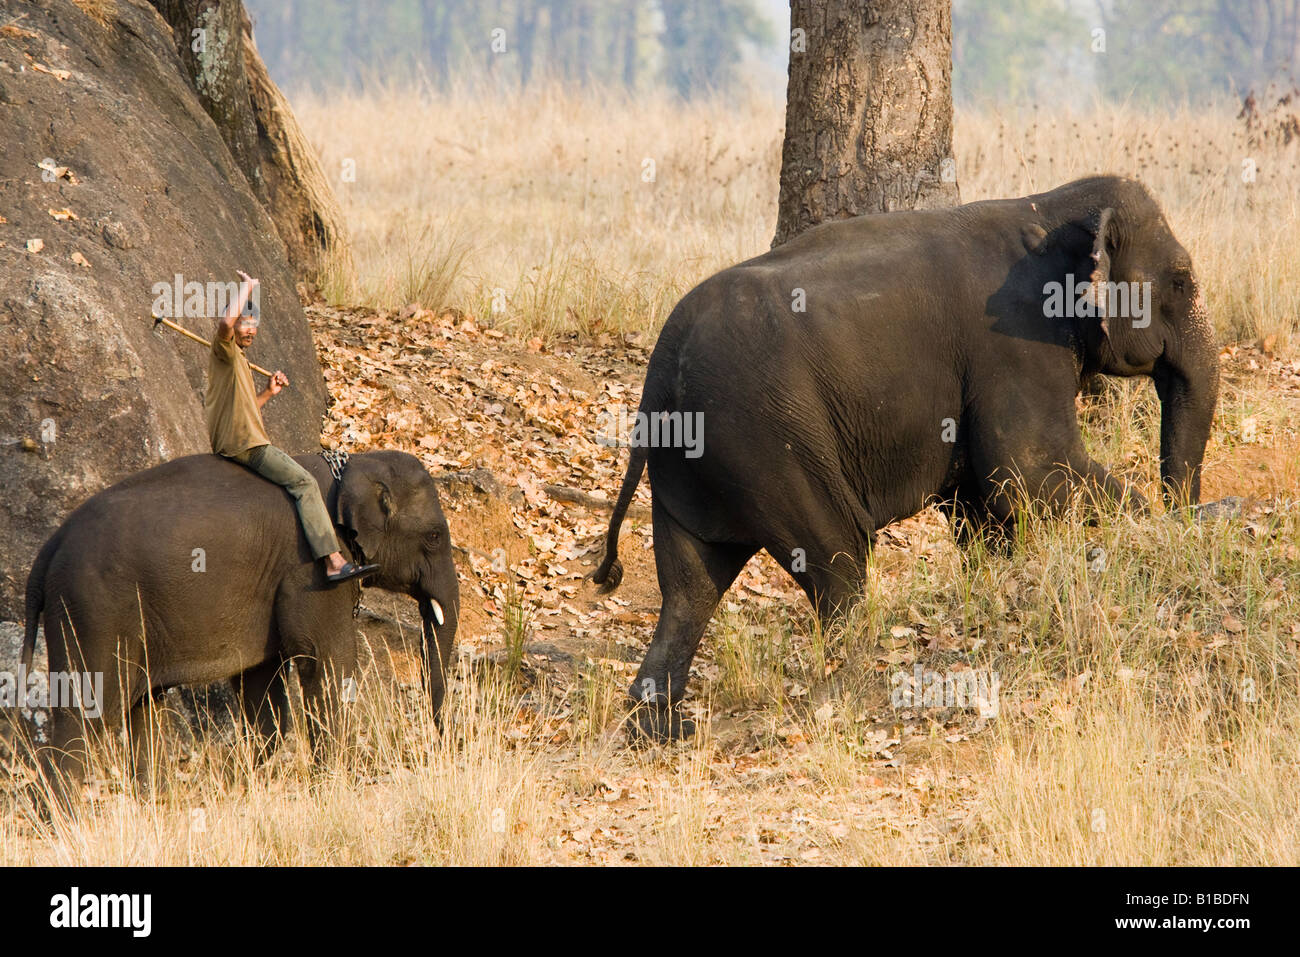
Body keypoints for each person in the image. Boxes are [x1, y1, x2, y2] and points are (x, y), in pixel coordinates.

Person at [205, 270, 377, 585]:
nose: (251, 331)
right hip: (247, 446)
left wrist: (269, 393)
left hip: (242, 438)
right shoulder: (224, 351)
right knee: (305, 483)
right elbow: (225, 325)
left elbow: (243, 412)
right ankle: (332, 561)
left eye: (255, 326)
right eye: (246, 324)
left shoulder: (238, 361)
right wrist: (247, 288)